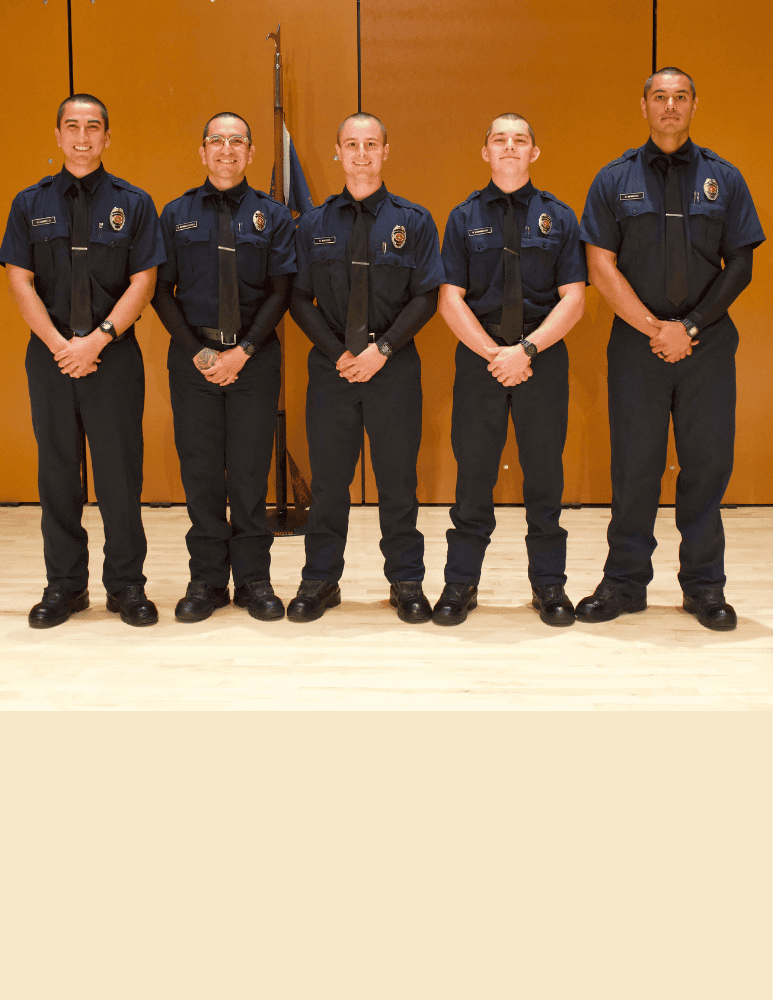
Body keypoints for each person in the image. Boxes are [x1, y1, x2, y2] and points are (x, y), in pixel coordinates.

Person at [578, 67, 764, 631]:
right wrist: (656, 328)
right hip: (638, 347)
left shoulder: (724, 178)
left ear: (693, 105)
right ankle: (624, 584)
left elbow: (741, 264)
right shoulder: (614, 179)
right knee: (635, 466)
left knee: (706, 466)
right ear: (644, 106)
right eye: (659, 96)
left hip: (707, 347)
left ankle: (704, 587)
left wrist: (691, 327)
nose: (670, 105)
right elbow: (600, 265)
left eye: (680, 97)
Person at [1, 94, 165, 628]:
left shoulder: (133, 203)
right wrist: (61, 345)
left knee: (120, 476)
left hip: (112, 358)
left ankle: (127, 586)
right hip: (51, 356)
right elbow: (19, 281)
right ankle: (64, 587)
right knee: (57, 476)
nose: (82, 136)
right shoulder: (29, 203)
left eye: (93, 127)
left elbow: (144, 280)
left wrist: (96, 340)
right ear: (58, 135)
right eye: (72, 126)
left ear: (107, 137)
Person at [287, 112, 445, 623]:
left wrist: (384, 349)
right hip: (332, 368)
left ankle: (406, 580)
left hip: (392, 367)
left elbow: (426, 296)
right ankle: (320, 579)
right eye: (351, 145)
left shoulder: (414, 221)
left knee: (397, 481)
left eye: (371, 144)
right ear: (337, 151)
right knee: (328, 483)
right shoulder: (313, 224)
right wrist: (339, 353)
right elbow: (298, 298)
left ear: (385, 151)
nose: (361, 154)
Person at [434, 113, 586, 627]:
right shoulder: (462, 217)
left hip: (542, 358)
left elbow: (574, 298)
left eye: (520, 140)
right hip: (482, 360)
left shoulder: (559, 217)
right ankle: (460, 583)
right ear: (485, 152)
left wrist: (526, 350)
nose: (509, 146)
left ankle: (550, 585)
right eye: (499, 139)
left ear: (534, 153)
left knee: (544, 477)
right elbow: (450, 298)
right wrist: (495, 354)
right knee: (473, 476)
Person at [152, 113, 296, 622]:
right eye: (217, 140)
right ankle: (207, 581)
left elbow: (281, 292)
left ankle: (254, 579)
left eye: (237, 141)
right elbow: (160, 291)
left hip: (254, 360)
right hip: (194, 360)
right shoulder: (176, 214)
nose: (227, 149)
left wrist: (243, 351)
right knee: (202, 473)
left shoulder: (272, 216)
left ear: (250, 152)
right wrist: (200, 352)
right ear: (203, 151)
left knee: (251, 473)